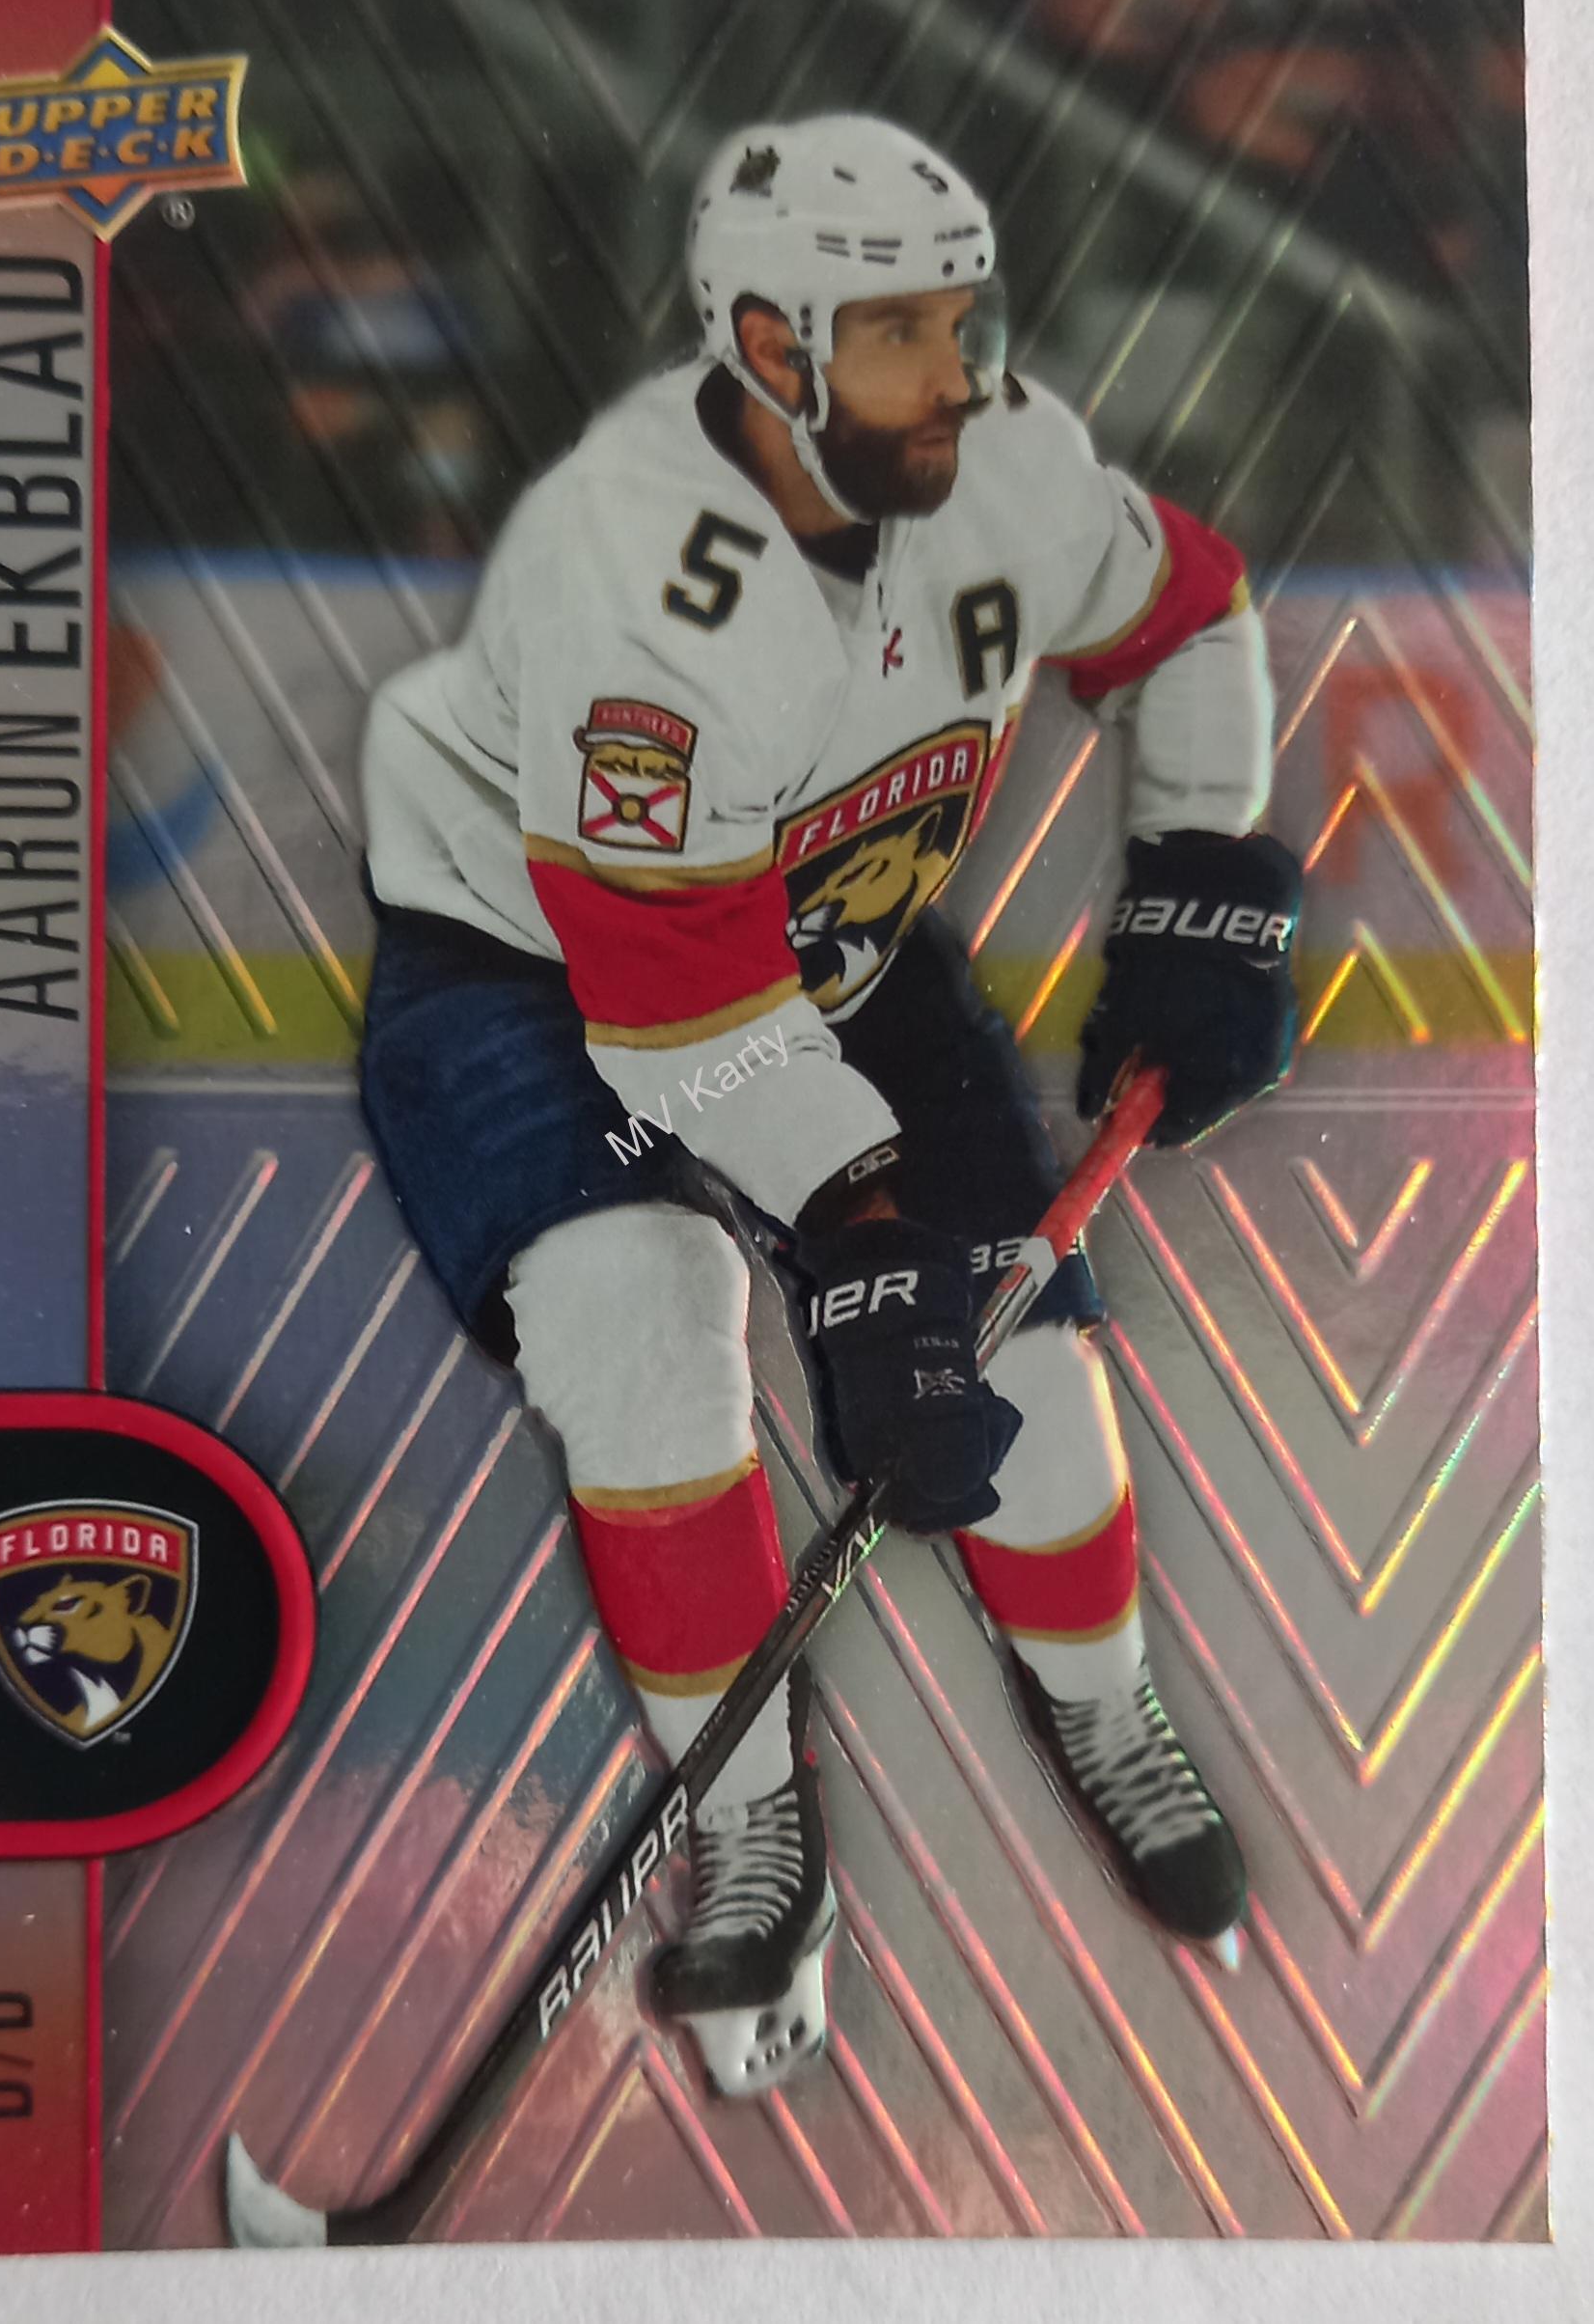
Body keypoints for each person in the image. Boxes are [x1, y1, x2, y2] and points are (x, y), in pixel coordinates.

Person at [356, 114, 1301, 2099]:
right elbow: (676, 1016)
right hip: (536, 970)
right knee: (640, 1318)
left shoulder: (1005, 461)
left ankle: (1100, 1701)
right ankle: (752, 1813)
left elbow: (1189, 618)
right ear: (769, 346)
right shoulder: (636, 578)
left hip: (826, 935)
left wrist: (1200, 878)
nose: (954, 372)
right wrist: (863, 1254)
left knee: (1021, 1368)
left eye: (963, 318)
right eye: (897, 335)